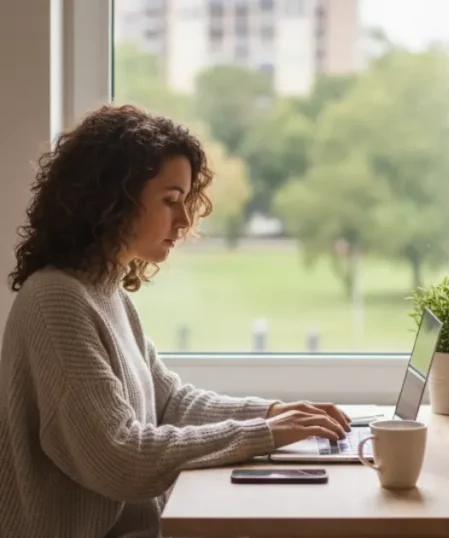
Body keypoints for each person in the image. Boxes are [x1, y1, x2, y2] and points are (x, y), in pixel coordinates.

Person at [0, 105, 353, 537]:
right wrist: (264, 434)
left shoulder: (105, 292)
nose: (185, 221)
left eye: (186, 201)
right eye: (170, 201)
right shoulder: (57, 301)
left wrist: (275, 414)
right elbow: (119, 459)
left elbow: (171, 405)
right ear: (113, 201)